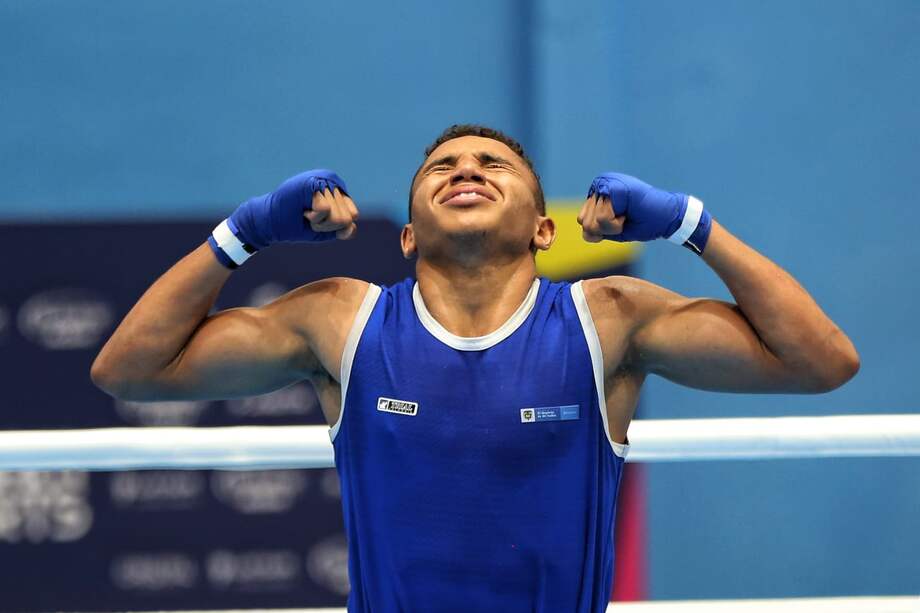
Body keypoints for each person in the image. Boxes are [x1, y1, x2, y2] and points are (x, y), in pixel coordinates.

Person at [91, 124, 859, 612]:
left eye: (494, 163)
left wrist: (693, 225)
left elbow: (821, 360)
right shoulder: (340, 316)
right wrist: (246, 231)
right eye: (442, 166)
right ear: (407, 235)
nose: (467, 169)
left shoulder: (609, 317)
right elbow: (130, 369)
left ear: (542, 226)